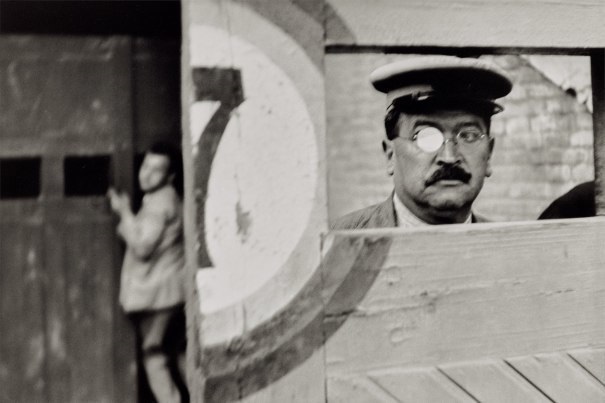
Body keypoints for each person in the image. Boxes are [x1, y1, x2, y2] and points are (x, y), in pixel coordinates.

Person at [332, 56, 513, 229]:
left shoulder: (512, 251)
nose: (449, 157)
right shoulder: (337, 245)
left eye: (468, 136)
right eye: (426, 137)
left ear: (489, 155)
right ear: (390, 155)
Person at [108, 142, 187, 403]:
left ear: (170, 176)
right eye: (145, 166)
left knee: (153, 352)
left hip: (161, 293)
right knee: (175, 350)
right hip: (167, 291)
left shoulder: (159, 203)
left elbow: (143, 246)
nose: (146, 174)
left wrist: (124, 213)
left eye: (156, 170)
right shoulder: (163, 198)